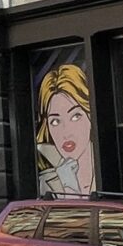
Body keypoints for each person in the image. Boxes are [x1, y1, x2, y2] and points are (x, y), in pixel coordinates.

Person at [35, 63, 95, 197]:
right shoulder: (46, 182)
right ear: (48, 127)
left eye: (75, 116)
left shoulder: (110, 168)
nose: (66, 132)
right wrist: (69, 186)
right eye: (55, 121)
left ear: (90, 116)